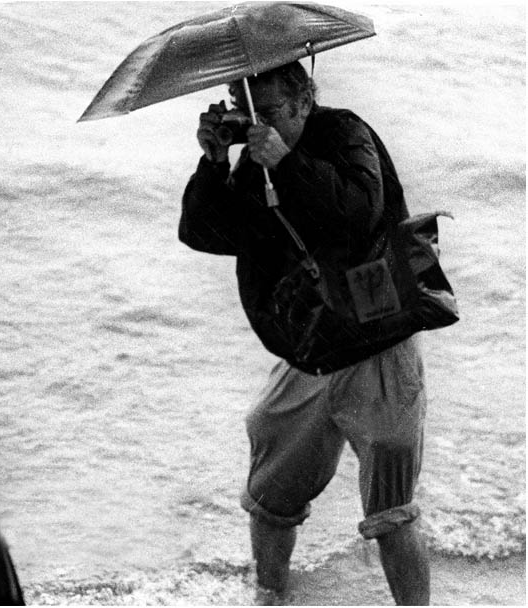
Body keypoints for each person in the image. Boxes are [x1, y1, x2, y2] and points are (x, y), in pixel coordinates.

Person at [178, 61, 430, 605]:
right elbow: (203, 234)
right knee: (269, 493)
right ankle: (270, 598)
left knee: (391, 512)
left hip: (376, 344)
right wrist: (214, 162)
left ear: (302, 100)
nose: (256, 123)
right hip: (309, 351)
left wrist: (288, 164)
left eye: (268, 112)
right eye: (248, 112)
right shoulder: (253, 164)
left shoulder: (345, 133)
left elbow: (360, 214)